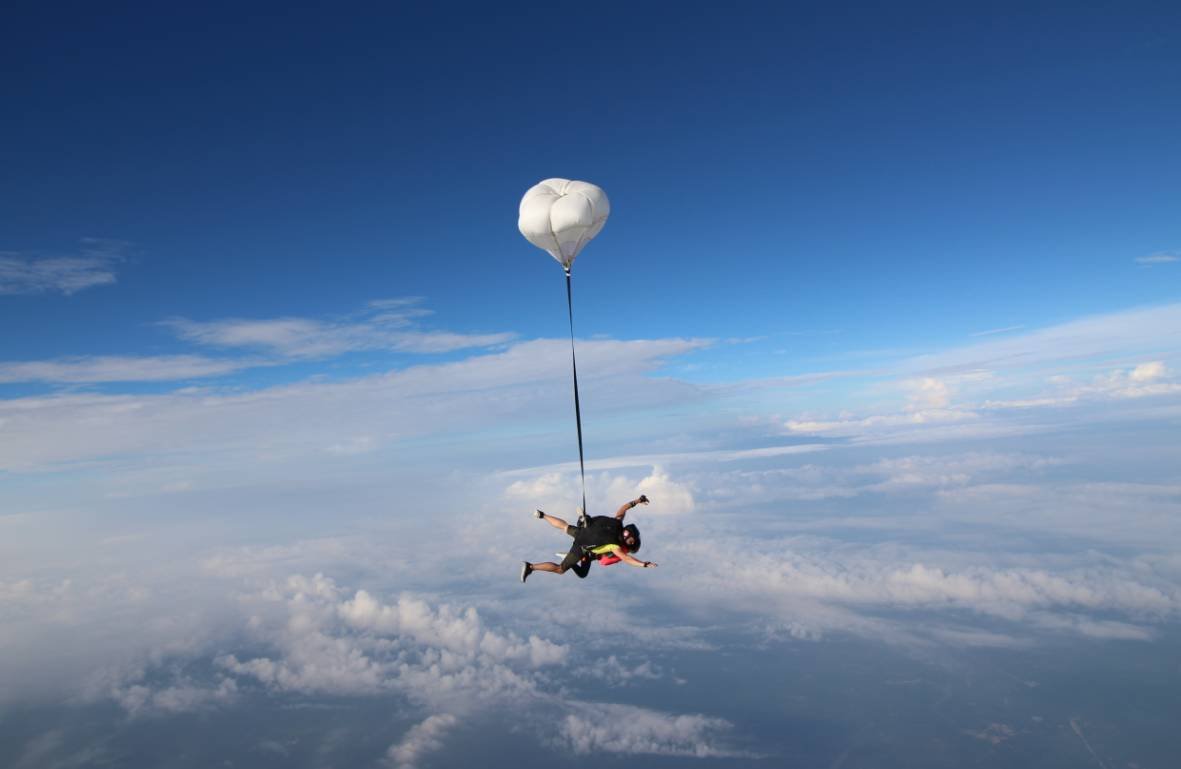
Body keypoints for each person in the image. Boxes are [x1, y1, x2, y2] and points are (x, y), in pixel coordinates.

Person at [521, 495, 657, 582]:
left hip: (585, 529)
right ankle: (531, 566)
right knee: (560, 569)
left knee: (565, 526)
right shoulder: (614, 546)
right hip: (582, 545)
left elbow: (623, 509)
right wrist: (644, 564)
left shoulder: (618, 522)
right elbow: (627, 559)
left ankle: (542, 515)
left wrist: (638, 500)